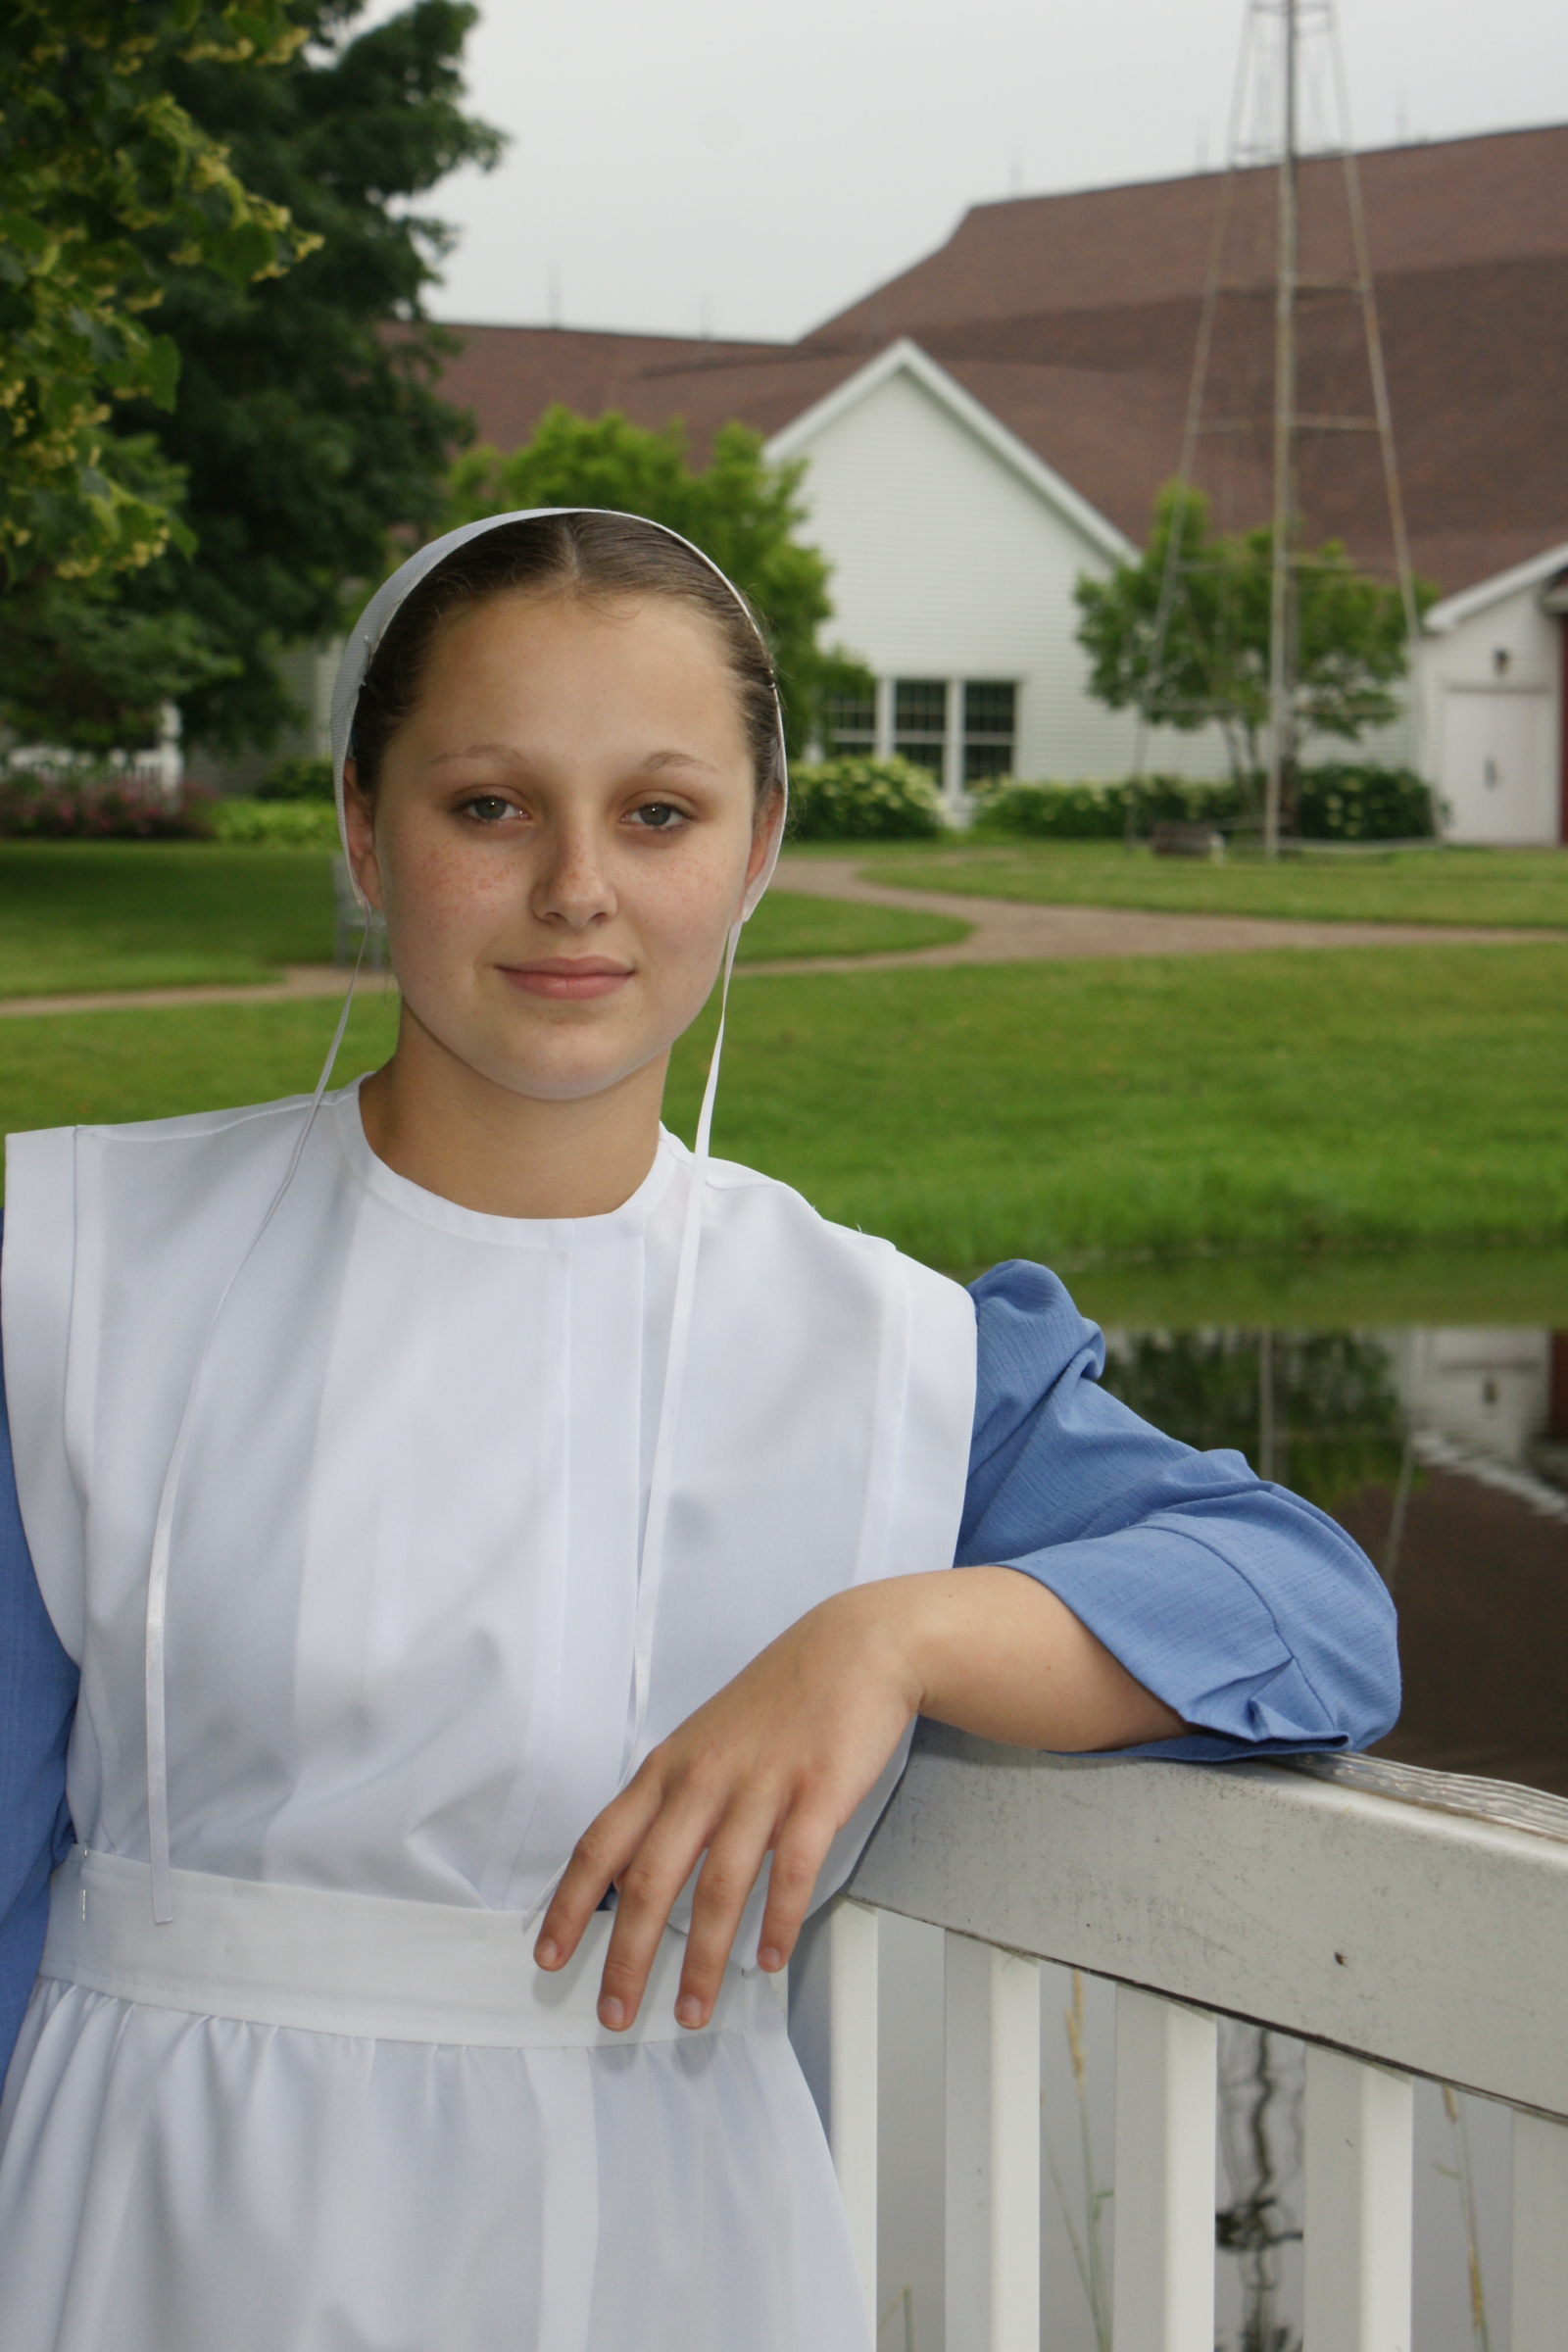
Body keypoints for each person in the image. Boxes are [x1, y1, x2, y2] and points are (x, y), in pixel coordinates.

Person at [0, 510, 1398, 2352]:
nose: (578, 887)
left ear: (759, 850)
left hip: (659, 2249)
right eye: (489, 805)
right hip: (153, 2229)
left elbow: (1310, 1615)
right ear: (361, 825)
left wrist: (888, 1635)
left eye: (659, 814)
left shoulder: (890, 1349)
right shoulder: (75, 1267)